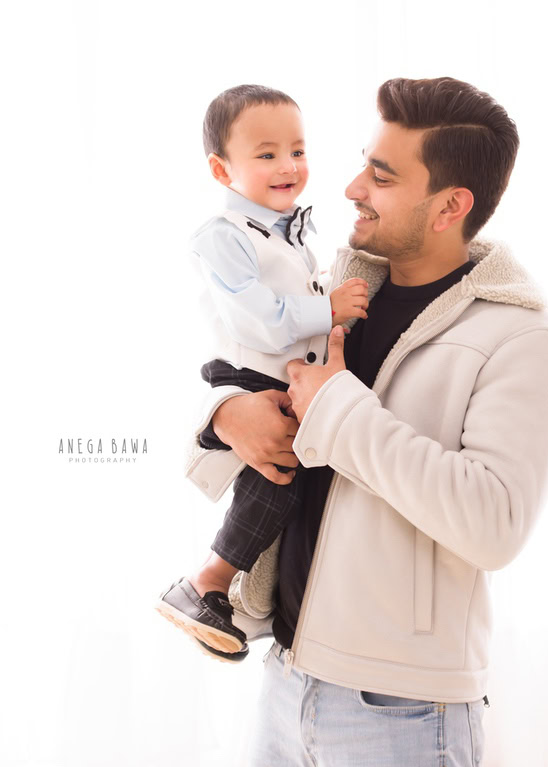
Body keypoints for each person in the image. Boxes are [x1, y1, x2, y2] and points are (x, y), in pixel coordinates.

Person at [189, 76, 548, 767]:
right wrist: (220, 417)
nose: (348, 187)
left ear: (450, 207)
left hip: (402, 710)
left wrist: (338, 409)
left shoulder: (523, 339)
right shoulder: (334, 290)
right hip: (286, 676)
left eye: (382, 175)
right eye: (365, 160)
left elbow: (494, 526)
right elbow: (231, 366)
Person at [156, 84, 370, 662]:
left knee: (282, 489)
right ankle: (206, 584)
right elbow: (259, 322)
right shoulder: (222, 237)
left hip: (285, 378)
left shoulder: (288, 235)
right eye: (267, 153)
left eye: (297, 151)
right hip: (251, 374)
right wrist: (329, 308)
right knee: (274, 483)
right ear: (221, 169)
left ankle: (230, 601)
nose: (288, 166)